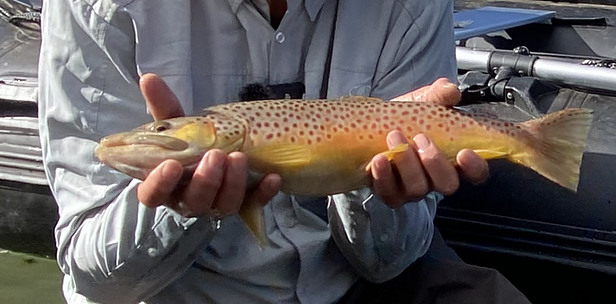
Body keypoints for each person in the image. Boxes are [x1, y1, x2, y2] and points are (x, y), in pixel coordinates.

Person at [38, 0, 530, 303]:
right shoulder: (98, 6)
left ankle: (532, 143)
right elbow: (96, 279)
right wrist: (176, 213)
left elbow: (389, 264)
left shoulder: (411, 6)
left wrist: (373, 188)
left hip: (363, 288)